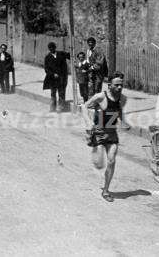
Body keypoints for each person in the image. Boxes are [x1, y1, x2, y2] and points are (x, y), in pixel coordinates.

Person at [82, 72, 131, 202]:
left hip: (111, 132)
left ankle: (106, 190)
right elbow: (84, 106)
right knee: (98, 164)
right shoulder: (100, 97)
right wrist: (88, 122)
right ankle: (93, 146)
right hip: (98, 131)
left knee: (111, 161)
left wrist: (123, 121)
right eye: (116, 85)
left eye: (121, 85)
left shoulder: (123, 98)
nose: (120, 88)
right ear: (109, 85)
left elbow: (118, 111)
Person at [43, 42, 70, 112]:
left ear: (55, 47)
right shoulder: (47, 57)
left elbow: (71, 56)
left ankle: (61, 107)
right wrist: (52, 74)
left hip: (62, 77)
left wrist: (71, 50)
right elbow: (46, 69)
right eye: (50, 48)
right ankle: (53, 107)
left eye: (53, 47)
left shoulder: (61, 54)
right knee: (53, 92)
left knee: (61, 92)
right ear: (49, 49)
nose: (52, 49)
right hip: (53, 79)